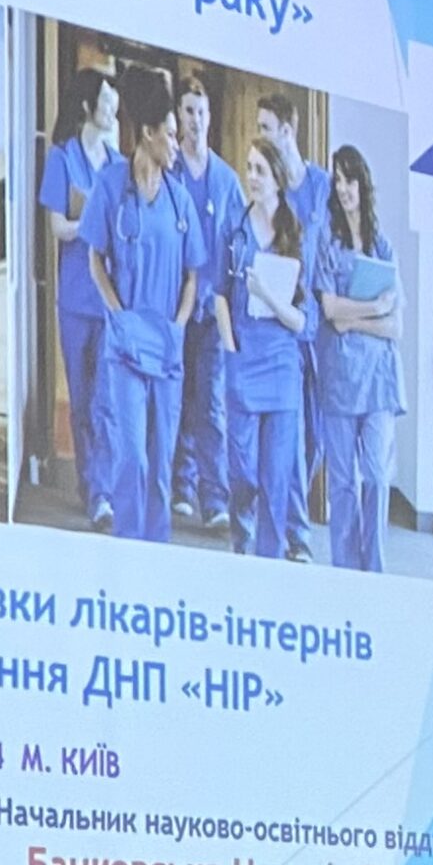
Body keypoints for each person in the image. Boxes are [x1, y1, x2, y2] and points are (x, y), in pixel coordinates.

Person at [86, 66, 203, 544]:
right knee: (131, 456)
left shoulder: (180, 200)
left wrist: (179, 326)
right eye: (171, 135)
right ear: (149, 134)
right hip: (126, 345)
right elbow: (95, 258)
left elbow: (194, 274)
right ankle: (127, 548)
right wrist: (117, 315)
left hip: (167, 346)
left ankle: (156, 551)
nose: (178, 144)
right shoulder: (112, 185)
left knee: (159, 466)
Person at [215, 135, 314, 560]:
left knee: (276, 478)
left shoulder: (295, 235)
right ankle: (242, 538)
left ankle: (268, 561)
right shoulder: (233, 229)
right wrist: (230, 348)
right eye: (249, 168)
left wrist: (268, 295)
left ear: (277, 179)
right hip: (243, 358)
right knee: (243, 471)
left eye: (260, 170)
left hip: (282, 365)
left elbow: (301, 320)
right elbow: (219, 295)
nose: (251, 177)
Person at [313, 144, 404, 573]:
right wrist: (373, 309)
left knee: (377, 476)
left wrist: (354, 320)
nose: (343, 188)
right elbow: (330, 310)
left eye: (349, 179)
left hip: (379, 380)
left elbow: (396, 326)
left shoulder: (383, 248)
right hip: (340, 377)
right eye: (337, 180)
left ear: (362, 185)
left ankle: (375, 571)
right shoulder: (328, 244)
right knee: (343, 483)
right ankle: (345, 571)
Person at [38, 68, 120, 530]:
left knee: (106, 399)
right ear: (88, 107)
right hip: (73, 298)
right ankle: (90, 485)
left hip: (108, 299)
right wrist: (92, 225)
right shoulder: (62, 158)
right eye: (106, 101)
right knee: (83, 399)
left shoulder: (117, 164)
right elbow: (57, 228)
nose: (112, 109)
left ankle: (103, 492)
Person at [253, 92, 331, 560]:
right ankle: (296, 535)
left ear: (288, 130)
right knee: (293, 430)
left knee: (314, 436)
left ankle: (287, 519)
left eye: (266, 128)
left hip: (316, 325)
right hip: (281, 325)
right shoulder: (271, 190)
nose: (260, 135)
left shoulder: (320, 186)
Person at [166, 73, 241, 533]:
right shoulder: (168, 173)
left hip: (212, 313)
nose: (195, 120)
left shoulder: (227, 181)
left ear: (210, 117)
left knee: (210, 404)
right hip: (174, 308)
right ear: (178, 117)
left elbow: (239, 246)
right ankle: (181, 487)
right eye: (188, 112)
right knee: (177, 398)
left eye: (201, 112)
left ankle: (215, 499)